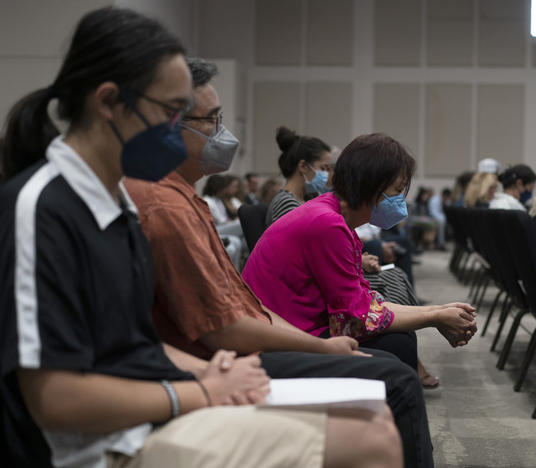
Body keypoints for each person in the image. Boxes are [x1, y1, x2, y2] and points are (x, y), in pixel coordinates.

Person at [0, 10, 401, 468]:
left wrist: (213, 372)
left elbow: (134, 344)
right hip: (95, 449)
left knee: (373, 419)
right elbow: (57, 400)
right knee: (369, 440)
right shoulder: (43, 209)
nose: (184, 133)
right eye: (172, 113)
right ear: (109, 102)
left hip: (143, 416)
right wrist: (201, 391)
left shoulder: (116, 204)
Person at [124, 58, 430, 466]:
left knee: (390, 359)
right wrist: (321, 348)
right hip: (223, 361)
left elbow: (243, 304)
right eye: (213, 120)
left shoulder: (185, 197)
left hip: (243, 343)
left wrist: (323, 347)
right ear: (166, 126)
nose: (223, 134)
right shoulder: (164, 205)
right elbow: (222, 329)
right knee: (396, 379)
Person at [242, 133, 478, 367]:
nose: (399, 200)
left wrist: (439, 311)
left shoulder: (335, 217)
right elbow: (358, 317)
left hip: (298, 324)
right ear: (370, 186)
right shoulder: (328, 224)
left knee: (399, 339)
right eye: (396, 191)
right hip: (284, 337)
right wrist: (434, 317)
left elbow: (364, 300)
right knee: (397, 345)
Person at [266, 126, 331, 226]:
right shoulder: (286, 203)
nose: (326, 175)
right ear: (303, 166)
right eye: (322, 168)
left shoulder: (305, 199)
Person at [202, 174, 246, 269]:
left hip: (222, 227)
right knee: (242, 223)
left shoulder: (218, 200)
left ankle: (236, 273)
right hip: (214, 229)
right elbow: (221, 221)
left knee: (237, 241)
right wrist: (232, 221)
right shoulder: (207, 200)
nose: (224, 190)